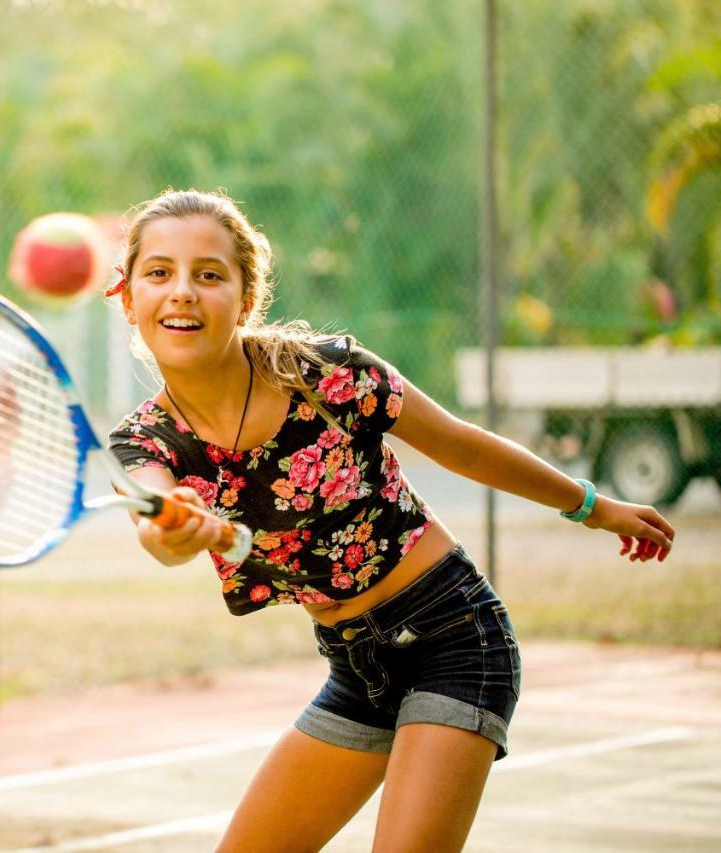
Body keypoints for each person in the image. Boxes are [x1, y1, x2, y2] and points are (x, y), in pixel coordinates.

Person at [106, 188, 675, 852]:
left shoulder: (327, 375)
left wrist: (592, 505)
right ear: (129, 299)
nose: (182, 292)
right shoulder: (145, 441)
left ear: (245, 297)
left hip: (453, 636)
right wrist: (174, 528)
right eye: (159, 273)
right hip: (356, 670)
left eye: (209, 274)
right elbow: (159, 526)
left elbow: (462, 443)